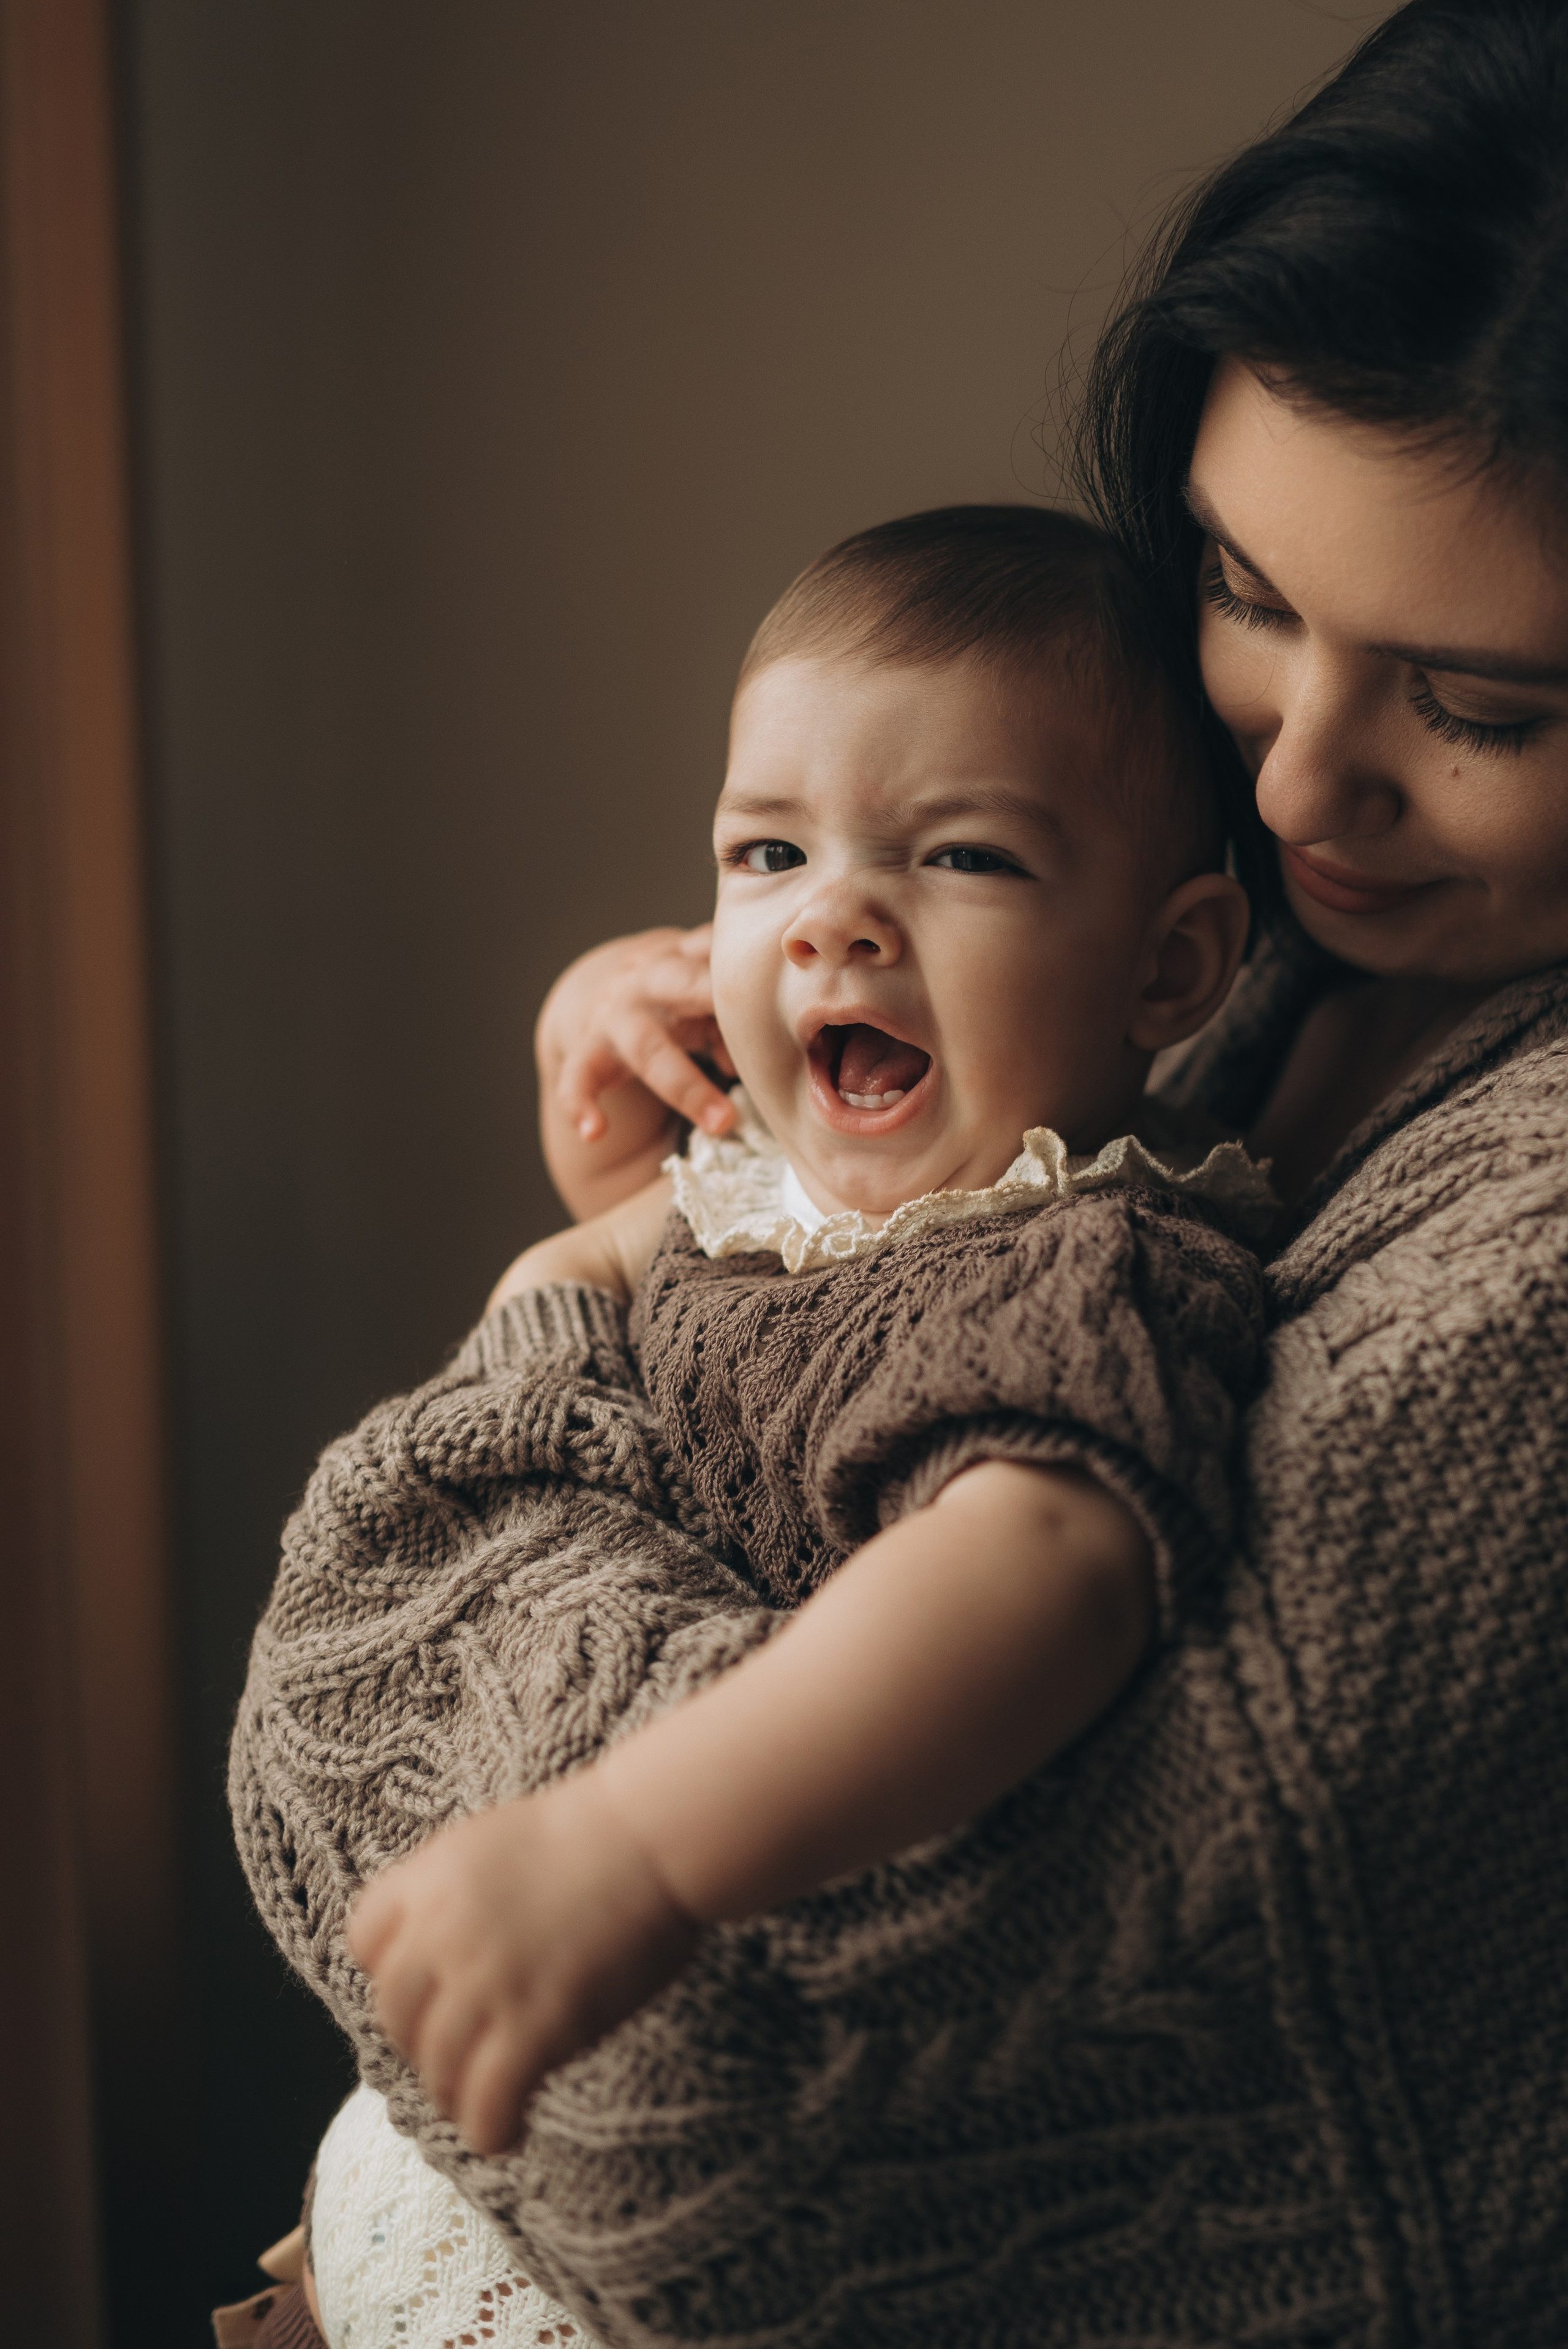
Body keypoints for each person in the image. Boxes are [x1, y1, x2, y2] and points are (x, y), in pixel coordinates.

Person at [235, 2, 1568, 2340]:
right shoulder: (1217, 979)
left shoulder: (1475, 1259)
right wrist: (678, 1151)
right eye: (1247, 596)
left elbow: (700, 2101)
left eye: (1478, 708)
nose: (1288, 787)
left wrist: (540, 1402)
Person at [344, 503, 1273, 2158]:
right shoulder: (801, 1191)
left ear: (1170, 960)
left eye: (964, 855)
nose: (832, 921)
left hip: (748, 1968)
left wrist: (633, 1844)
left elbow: (1034, 1573)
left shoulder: (1068, 1258)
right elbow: (641, 1266)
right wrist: (606, 1097)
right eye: (770, 854)